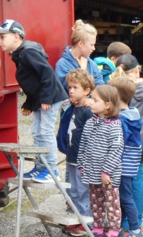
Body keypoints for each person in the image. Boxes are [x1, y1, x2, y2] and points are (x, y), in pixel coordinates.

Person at [0, 19, 68, 183]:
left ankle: (51, 170)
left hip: (51, 97)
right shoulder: (19, 54)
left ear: (16, 36)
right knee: (37, 133)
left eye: (3, 37)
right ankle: (40, 167)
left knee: (45, 132)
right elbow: (33, 82)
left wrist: (46, 98)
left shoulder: (27, 52)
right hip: (42, 98)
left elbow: (47, 74)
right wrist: (29, 104)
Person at [77, 85, 124, 237]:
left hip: (108, 176)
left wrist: (107, 171)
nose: (90, 102)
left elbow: (116, 150)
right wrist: (81, 164)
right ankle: (97, 227)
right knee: (95, 201)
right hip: (91, 172)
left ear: (107, 105)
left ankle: (113, 230)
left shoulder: (114, 126)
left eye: (95, 100)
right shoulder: (90, 123)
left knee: (111, 203)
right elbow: (83, 145)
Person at [111, 54, 143, 232]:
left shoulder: (125, 94)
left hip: (126, 150)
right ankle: (132, 223)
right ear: (136, 70)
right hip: (137, 146)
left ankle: (130, 224)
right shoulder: (140, 88)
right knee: (134, 186)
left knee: (128, 190)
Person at [108, 77, 143, 237]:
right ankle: (121, 226)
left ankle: (134, 229)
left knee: (125, 198)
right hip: (131, 165)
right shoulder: (133, 113)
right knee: (123, 197)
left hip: (123, 166)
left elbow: (118, 143)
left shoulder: (121, 119)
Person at [62, 69, 95, 236]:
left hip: (83, 159)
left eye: (75, 88)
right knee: (74, 190)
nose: (71, 91)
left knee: (83, 190)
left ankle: (87, 222)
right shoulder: (73, 107)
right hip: (72, 156)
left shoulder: (89, 111)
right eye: (70, 88)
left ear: (87, 91)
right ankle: (78, 218)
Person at [55, 19, 104, 93]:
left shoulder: (91, 63)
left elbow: (101, 88)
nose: (94, 48)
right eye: (91, 45)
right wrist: (83, 71)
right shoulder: (62, 65)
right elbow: (73, 92)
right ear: (80, 44)